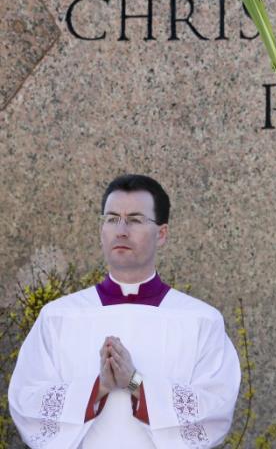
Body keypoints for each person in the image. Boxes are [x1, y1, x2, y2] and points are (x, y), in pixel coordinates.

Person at [8, 174, 241, 448]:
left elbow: (215, 409)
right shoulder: (58, 318)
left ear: (161, 234)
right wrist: (99, 387)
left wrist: (134, 382)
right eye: (112, 219)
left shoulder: (200, 321)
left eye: (135, 219)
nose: (121, 230)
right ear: (101, 231)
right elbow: (26, 402)